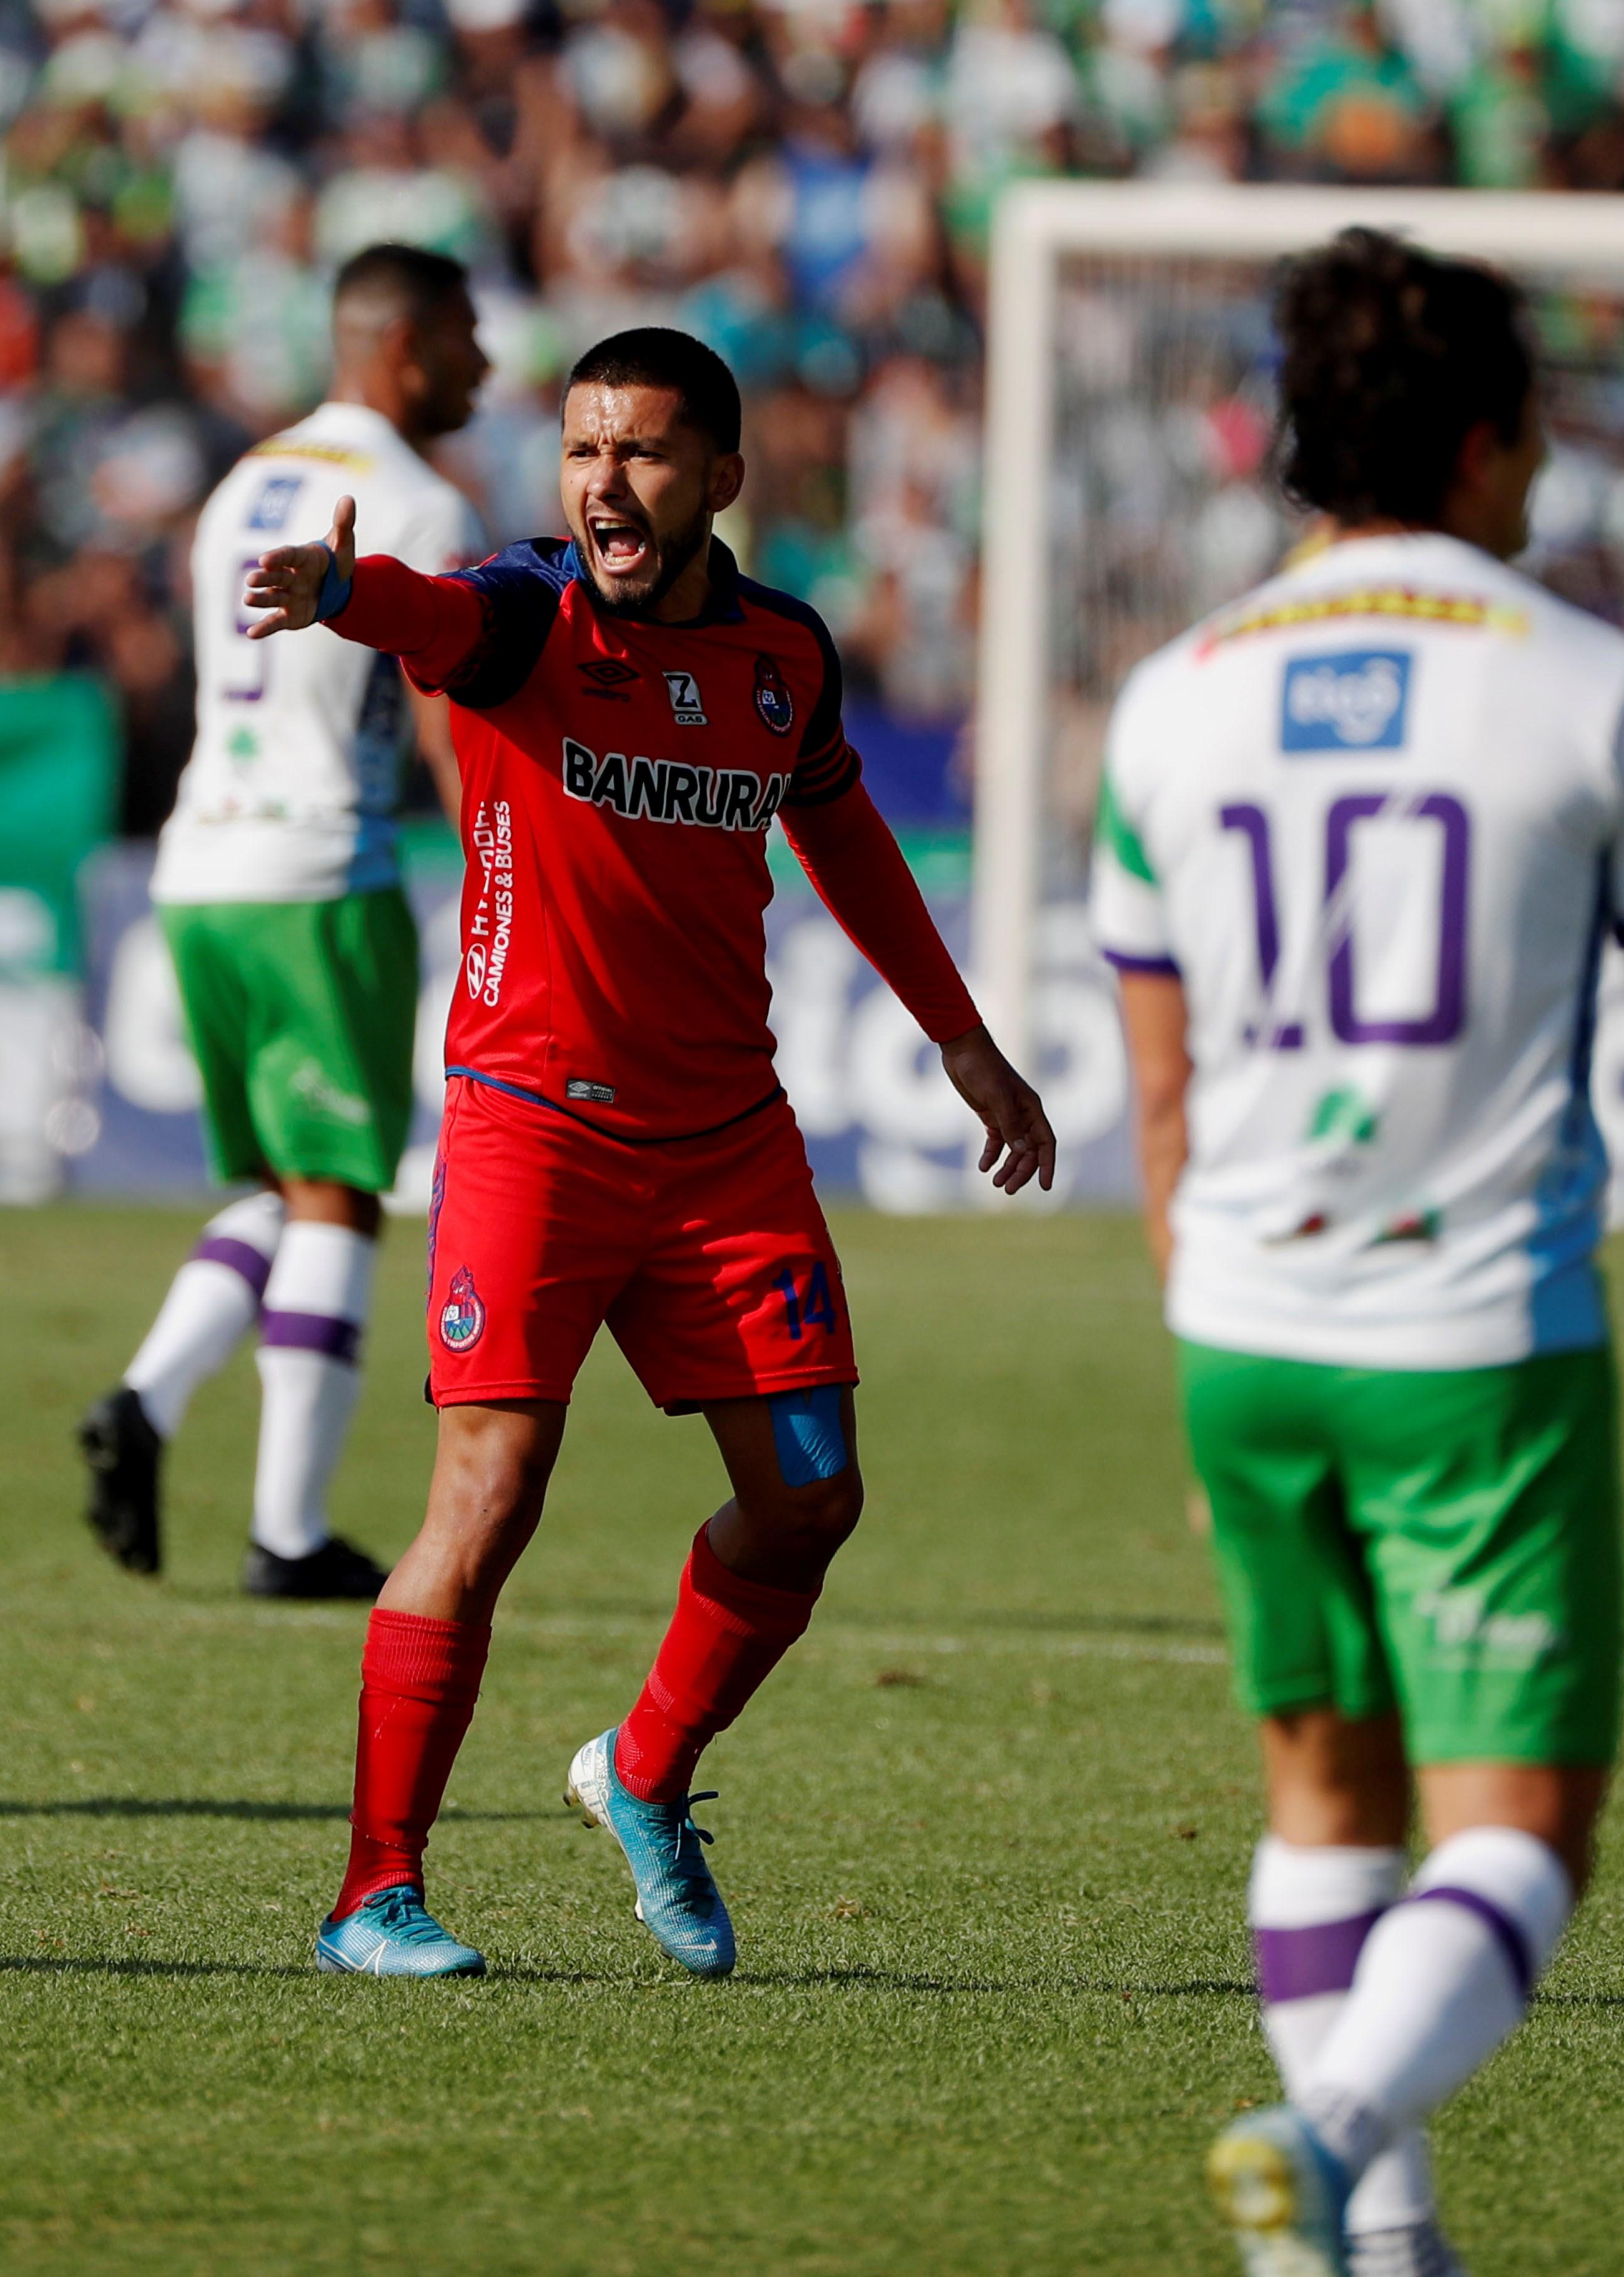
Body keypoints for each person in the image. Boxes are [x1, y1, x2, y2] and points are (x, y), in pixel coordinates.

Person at [1090, 230, 1624, 2276]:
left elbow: (1156, 1099)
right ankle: (1332, 2128)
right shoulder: (1596, 689)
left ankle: (1357, 2244)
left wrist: (1195, 1342)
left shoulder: (1171, 702)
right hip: (1476, 1337)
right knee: (1517, 1827)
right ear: (1495, 438)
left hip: (1241, 1328)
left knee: (1324, 1796)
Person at [239, 325, 1059, 1979]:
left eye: (645, 453)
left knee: (812, 1499)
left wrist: (963, 1040)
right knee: (490, 1498)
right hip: (530, 1126)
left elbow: (845, 834)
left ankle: (644, 1772)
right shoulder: (528, 615)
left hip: (726, 1144)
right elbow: (437, 615)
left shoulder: (784, 656)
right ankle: (371, 1896)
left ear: (721, 481)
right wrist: (345, 595)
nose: (607, 482)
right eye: (585, 449)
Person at [75, 243, 491, 1601]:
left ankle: (146, 1398)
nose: (485, 368)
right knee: (343, 1192)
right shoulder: (416, 499)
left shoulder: (244, 479)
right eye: (470, 339)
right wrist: (495, 851)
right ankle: (290, 1533)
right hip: (321, 870)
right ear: (410, 344)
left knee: (282, 1184)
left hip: (198, 867)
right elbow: (440, 697)